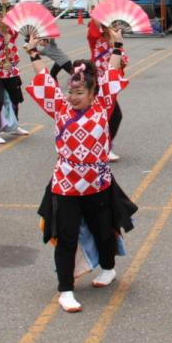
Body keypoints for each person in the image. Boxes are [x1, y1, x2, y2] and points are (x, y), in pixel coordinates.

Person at [25, 35, 132, 313]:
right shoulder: (59, 107)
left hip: (98, 183)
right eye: (70, 92)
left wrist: (117, 46)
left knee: (104, 230)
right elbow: (44, 80)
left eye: (79, 93)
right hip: (66, 184)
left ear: (93, 94)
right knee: (66, 237)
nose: (72, 97)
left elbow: (111, 72)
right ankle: (66, 290)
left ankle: (108, 268)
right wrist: (34, 53)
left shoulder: (103, 105)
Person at [0, 7, 29, 144]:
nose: (6, 19)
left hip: (12, 72)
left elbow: (17, 32)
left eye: (8, 17)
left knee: (15, 99)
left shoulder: (12, 32)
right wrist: (1, 62)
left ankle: (14, 126)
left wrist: (5, 4)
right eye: (2, 16)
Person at [86, 19, 129, 161]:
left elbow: (120, 62)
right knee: (112, 116)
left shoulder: (116, 42)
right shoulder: (95, 39)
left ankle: (100, 147)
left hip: (109, 86)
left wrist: (122, 61)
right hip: (97, 85)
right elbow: (94, 24)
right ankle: (103, 148)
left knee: (111, 116)